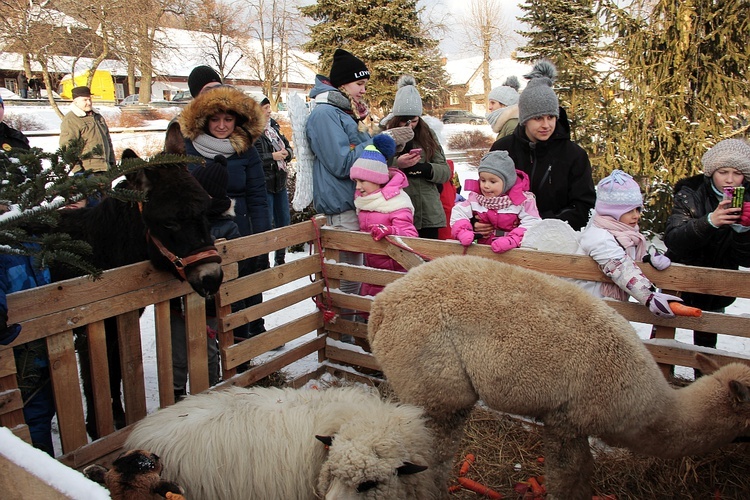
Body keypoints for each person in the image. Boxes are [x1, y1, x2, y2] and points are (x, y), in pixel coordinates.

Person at [305, 48, 412, 302]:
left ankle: (353, 334)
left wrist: (390, 149)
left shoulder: (346, 111)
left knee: (359, 277)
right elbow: (341, 163)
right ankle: (342, 336)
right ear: (343, 84)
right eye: (359, 83)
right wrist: (380, 141)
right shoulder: (324, 114)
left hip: (358, 204)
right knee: (347, 280)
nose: (364, 90)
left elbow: (365, 159)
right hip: (341, 206)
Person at [178, 84, 271, 340]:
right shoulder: (188, 147)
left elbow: (257, 196)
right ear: (204, 119)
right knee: (208, 296)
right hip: (202, 234)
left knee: (243, 289)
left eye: (228, 119)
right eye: (215, 119)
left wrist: (260, 239)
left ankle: (245, 346)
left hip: (240, 230)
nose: (222, 126)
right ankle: (210, 353)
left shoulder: (246, 150)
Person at [664, 139, 750, 360]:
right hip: (680, 279)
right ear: (712, 172)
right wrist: (709, 221)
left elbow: (746, 259)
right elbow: (674, 239)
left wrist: (742, 231)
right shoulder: (690, 193)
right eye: (723, 172)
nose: (730, 179)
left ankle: (703, 384)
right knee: (663, 331)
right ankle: (663, 375)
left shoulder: (748, 200)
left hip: (718, 283)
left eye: (737, 173)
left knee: (707, 337)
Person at [489, 59, 595, 231]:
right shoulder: (502, 149)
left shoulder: (574, 155)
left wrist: (541, 223)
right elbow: (484, 192)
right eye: (538, 118)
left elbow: (584, 207)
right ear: (524, 119)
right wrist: (479, 221)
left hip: (556, 241)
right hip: (507, 240)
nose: (546, 125)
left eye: (551, 117)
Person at [577, 170, 679, 318]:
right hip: (590, 309)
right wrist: (649, 296)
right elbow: (620, 267)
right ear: (611, 212)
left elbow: (629, 256)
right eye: (628, 211)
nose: (636, 215)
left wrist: (647, 257)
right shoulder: (599, 237)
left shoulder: (627, 234)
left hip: (608, 309)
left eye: (638, 209)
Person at [350, 134, 418, 297]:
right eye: (356, 182)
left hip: (396, 277)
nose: (358, 187)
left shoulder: (396, 203)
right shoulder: (365, 202)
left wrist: (390, 231)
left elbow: (410, 236)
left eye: (362, 181)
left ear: (377, 179)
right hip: (373, 275)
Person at [385, 75, 450, 239]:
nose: (408, 125)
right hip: (398, 210)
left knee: (428, 260)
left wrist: (425, 169)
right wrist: (397, 164)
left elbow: (445, 171)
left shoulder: (428, 134)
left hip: (428, 211)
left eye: (413, 121)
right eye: (403, 121)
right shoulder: (385, 135)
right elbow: (373, 169)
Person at [450, 150, 541, 253]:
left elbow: (532, 222)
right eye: (483, 180)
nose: (486, 186)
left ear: (507, 182)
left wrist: (513, 239)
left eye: (492, 181)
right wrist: (463, 231)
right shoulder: (476, 198)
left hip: (513, 251)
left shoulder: (522, 201)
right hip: (483, 250)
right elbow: (458, 212)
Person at [254, 95, 294, 266]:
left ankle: (281, 258)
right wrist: (273, 156)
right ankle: (264, 262)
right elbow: (254, 158)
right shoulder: (253, 132)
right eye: (265, 108)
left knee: (284, 221)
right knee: (266, 224)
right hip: (265, 184)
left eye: (269, 107)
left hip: (280, 183)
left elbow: (288, 147)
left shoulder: (274, 129)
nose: (269, 111)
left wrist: (288, 154)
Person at [59, 86, 115, 173]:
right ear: (75, 101)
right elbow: (67, 147)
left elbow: (108, 141)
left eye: (90, 99)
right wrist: (77, 170)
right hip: (87, 171)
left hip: (105, 168)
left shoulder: (98, 117)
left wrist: (112, 163)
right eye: (85, 100)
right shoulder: (71, 119)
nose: (89, 102)